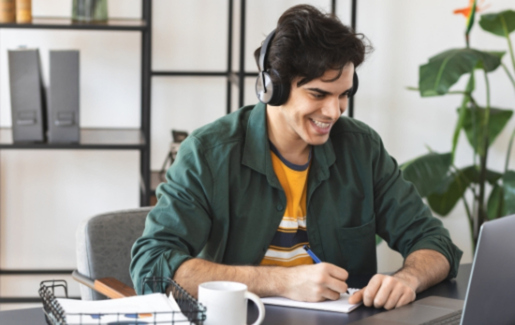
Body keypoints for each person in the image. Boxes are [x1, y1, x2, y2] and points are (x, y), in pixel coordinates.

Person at [130, 4, 462, 310]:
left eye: (343, 94)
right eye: (318, 94)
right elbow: (152, 267)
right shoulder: (207, 154)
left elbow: (433, 241)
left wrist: (407, 278)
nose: (334, 111)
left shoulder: (362, 149)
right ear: (272, 87)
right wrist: (281, 281)